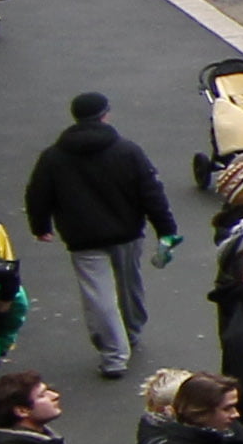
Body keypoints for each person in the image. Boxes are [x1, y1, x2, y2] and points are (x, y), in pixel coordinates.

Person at [20, 89, 179, 383]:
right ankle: (132, 329)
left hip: (82, 236)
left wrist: (40, 226)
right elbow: (151, 192)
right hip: (127, 232)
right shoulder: (127, 150)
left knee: (98, 294)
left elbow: (37, 193)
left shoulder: (53, 156)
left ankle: (113, 353)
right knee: (129, 284)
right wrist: (166, 229)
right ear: (105, 115)